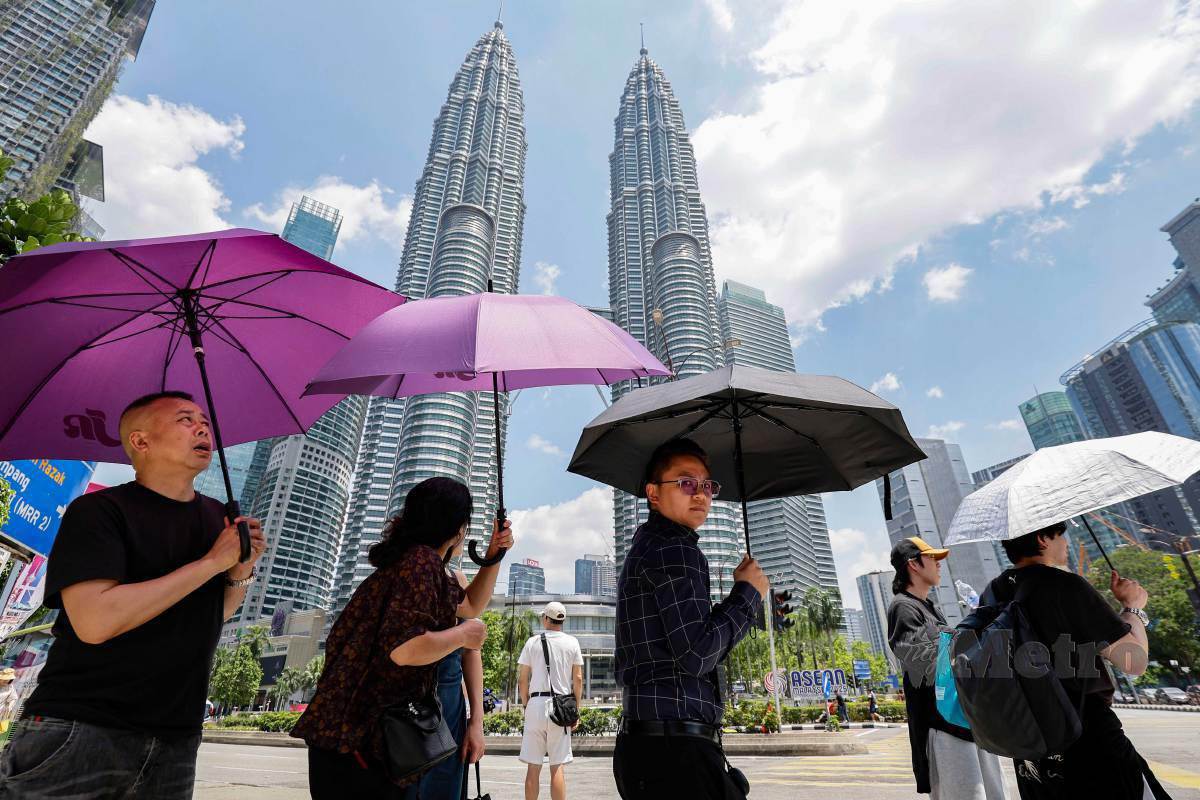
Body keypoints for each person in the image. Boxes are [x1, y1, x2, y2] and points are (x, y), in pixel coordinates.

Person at [0, 391, 267, 799]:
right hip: (81, 727)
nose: (202, 428)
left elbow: (216, 614)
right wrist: (212, 563)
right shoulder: (99, 511)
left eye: (204, 421)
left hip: (176, 738)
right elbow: (95, 621)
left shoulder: (219, 519)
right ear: (141, 442)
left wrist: (241, 569)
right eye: (184, 419)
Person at [292, 477, 509, 798]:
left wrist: (494, 554)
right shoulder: (420, 564)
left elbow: (471, 603)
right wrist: (464, 634)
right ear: (456, 528)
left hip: (348, 742)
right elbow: (405, 649)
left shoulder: (409, 565)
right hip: (359, 748)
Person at [612, 438, 768, 800]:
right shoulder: (676, 549)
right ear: (653, 493)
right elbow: (698, 654)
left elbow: (685, 640)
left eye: (707, 485)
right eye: (685, 483)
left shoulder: (648, 545)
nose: (700, 494)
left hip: (647, 745)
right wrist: (747, 595)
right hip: (676, 753)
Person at [980, 522, 1169, 799]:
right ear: (1042, 539)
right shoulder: (1062, 585)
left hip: (1029, 746)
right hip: (1087, 736)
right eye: (1061, 536)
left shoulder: (991, 594)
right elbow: (1134, 661)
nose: (1066, 544)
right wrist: (1133, 609)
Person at [887, 536, 1006, 800]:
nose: (939, 564)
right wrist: (967, 630)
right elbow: (925, 664)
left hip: (966, 722)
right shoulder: (903, 608)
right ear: (913, 565)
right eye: (932, 558)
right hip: (943, 728)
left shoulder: (929, 607)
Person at [408, 516, 511, 800]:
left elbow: (471, 650)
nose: (463, 537)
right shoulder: (404, 575)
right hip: (404, 709)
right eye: (462, 531)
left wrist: (475, 722)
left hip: (450, 708)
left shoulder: (456, 578)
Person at [517, 601, 583, 800]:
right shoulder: (572, 642)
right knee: (557, 766)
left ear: (546, 618)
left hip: (536, 704)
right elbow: (578, 679)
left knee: (533, 766)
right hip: (561, 708)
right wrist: (575, 710)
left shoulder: (532, 642)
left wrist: (526, 705)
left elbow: (522, 680)